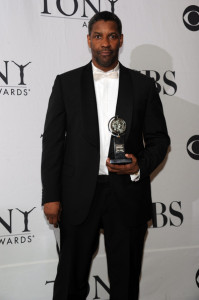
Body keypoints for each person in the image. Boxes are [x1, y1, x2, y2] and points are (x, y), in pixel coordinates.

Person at [41, 11, 170, 300]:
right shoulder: (66, 83)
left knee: (125, 284)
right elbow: (52, 143)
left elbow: (160, 140)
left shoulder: (143, 86)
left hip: (126, 194)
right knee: (69, 283)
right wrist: (51, 195)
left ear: (120, 40)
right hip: (77, 196)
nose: (105, 43)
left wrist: (139, 167)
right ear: (89, 40)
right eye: (98, 36)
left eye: (111, 36)